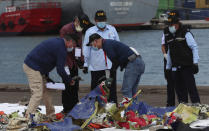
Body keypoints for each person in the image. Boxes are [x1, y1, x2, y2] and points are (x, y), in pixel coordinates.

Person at [23, 33, 79, 118]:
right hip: (32, 68)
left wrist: (47, 77)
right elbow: (60, 69)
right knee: (37, 93)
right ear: (70, 41)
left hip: (38, 68)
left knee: (47, 92)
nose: (73, 47)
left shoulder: (58, 42)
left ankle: (50, 114)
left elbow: (45, 58)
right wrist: (69, 80)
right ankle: (28, 117)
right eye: (74, 44)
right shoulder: (62, 49)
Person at [86, 33, 145, 101]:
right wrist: (115, 69)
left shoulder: (106, 45)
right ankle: (134, 109)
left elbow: (115, 61)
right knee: (132, 90)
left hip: (133, 64)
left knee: (126, 90)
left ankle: (129, 110)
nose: (93, 46)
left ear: (96, 41)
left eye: (92, 45)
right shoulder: (109, 43)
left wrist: (111, 74)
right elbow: (119, 58)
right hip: (138, 62)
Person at [83, 10, 120, 103]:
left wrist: (118, 61)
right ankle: (95, 110)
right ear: (95, 20)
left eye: (103, 20)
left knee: (112, 90)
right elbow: (86, 49)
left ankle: (112, 109)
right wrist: (85, 64)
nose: (101, 22)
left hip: (111, 66)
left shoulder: (112, 30)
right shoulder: (90, 32)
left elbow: (118, 45)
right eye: (99, 20)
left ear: (106, 20)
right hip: (97, 66)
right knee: (96, 91)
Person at [59, 14, 93, 114]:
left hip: (74, 61)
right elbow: (63, 47)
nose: (81, 28)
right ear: (76, 21)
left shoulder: (79, 30)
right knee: (67, 85)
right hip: (65, 61)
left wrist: (81, 60)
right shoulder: (65, 29)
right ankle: (66, 108)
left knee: (75, 85)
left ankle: (74, 105)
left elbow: (79, 45)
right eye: (81, 25)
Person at [165, 10, 200, 104]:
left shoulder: (185, 32)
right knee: (180, 91)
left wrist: (195, 62)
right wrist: (168, 67)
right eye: (170, 24)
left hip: (187, 66)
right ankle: (183, 107)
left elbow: (194, 47)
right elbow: (169, 52)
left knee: (191, 88)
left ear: (177, 23)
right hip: (175, 67)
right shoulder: (168, 34)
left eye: (173, 24)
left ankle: (197, 107)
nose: (171, 26)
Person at [162, 26, 176, 107]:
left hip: (177, 59)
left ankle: (183, 102)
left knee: (179, 82)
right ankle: (170, 103)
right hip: (167, 59)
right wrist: (165, 55)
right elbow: (163, 46)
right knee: (169, 82)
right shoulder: (166, 32)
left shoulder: (182, 32)